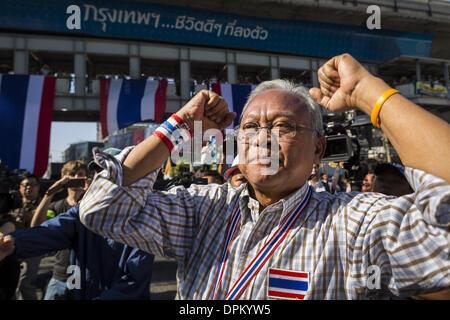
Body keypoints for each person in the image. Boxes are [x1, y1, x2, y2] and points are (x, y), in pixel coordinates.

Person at [79, 53, 450, 299]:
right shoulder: (204, 209)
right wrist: (181, 126)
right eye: (251, 127)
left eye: (284, 127)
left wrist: (369, 94)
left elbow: (442, 233)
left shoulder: (354, 223)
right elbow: (102, 209)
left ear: (318, 150)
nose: (263, 140)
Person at [31, 160, 90, 300]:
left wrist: (91, 192)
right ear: (64, 177)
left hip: (87, 277)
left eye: (80, 175)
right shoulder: (56, 206)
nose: (76, 178)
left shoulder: (92, 205)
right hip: (60, 275)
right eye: (71, 175)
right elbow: (36, 227)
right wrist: (50, 193)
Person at [9, 174, 43, 300]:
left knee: (25, 282)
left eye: (32, 185)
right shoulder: (11, 203)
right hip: (11, 247)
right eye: (25, 185)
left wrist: (33, 217)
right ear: (20, 188)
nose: (28, 188)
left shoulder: (44, 204)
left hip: (33, 249)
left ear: (38, 187)